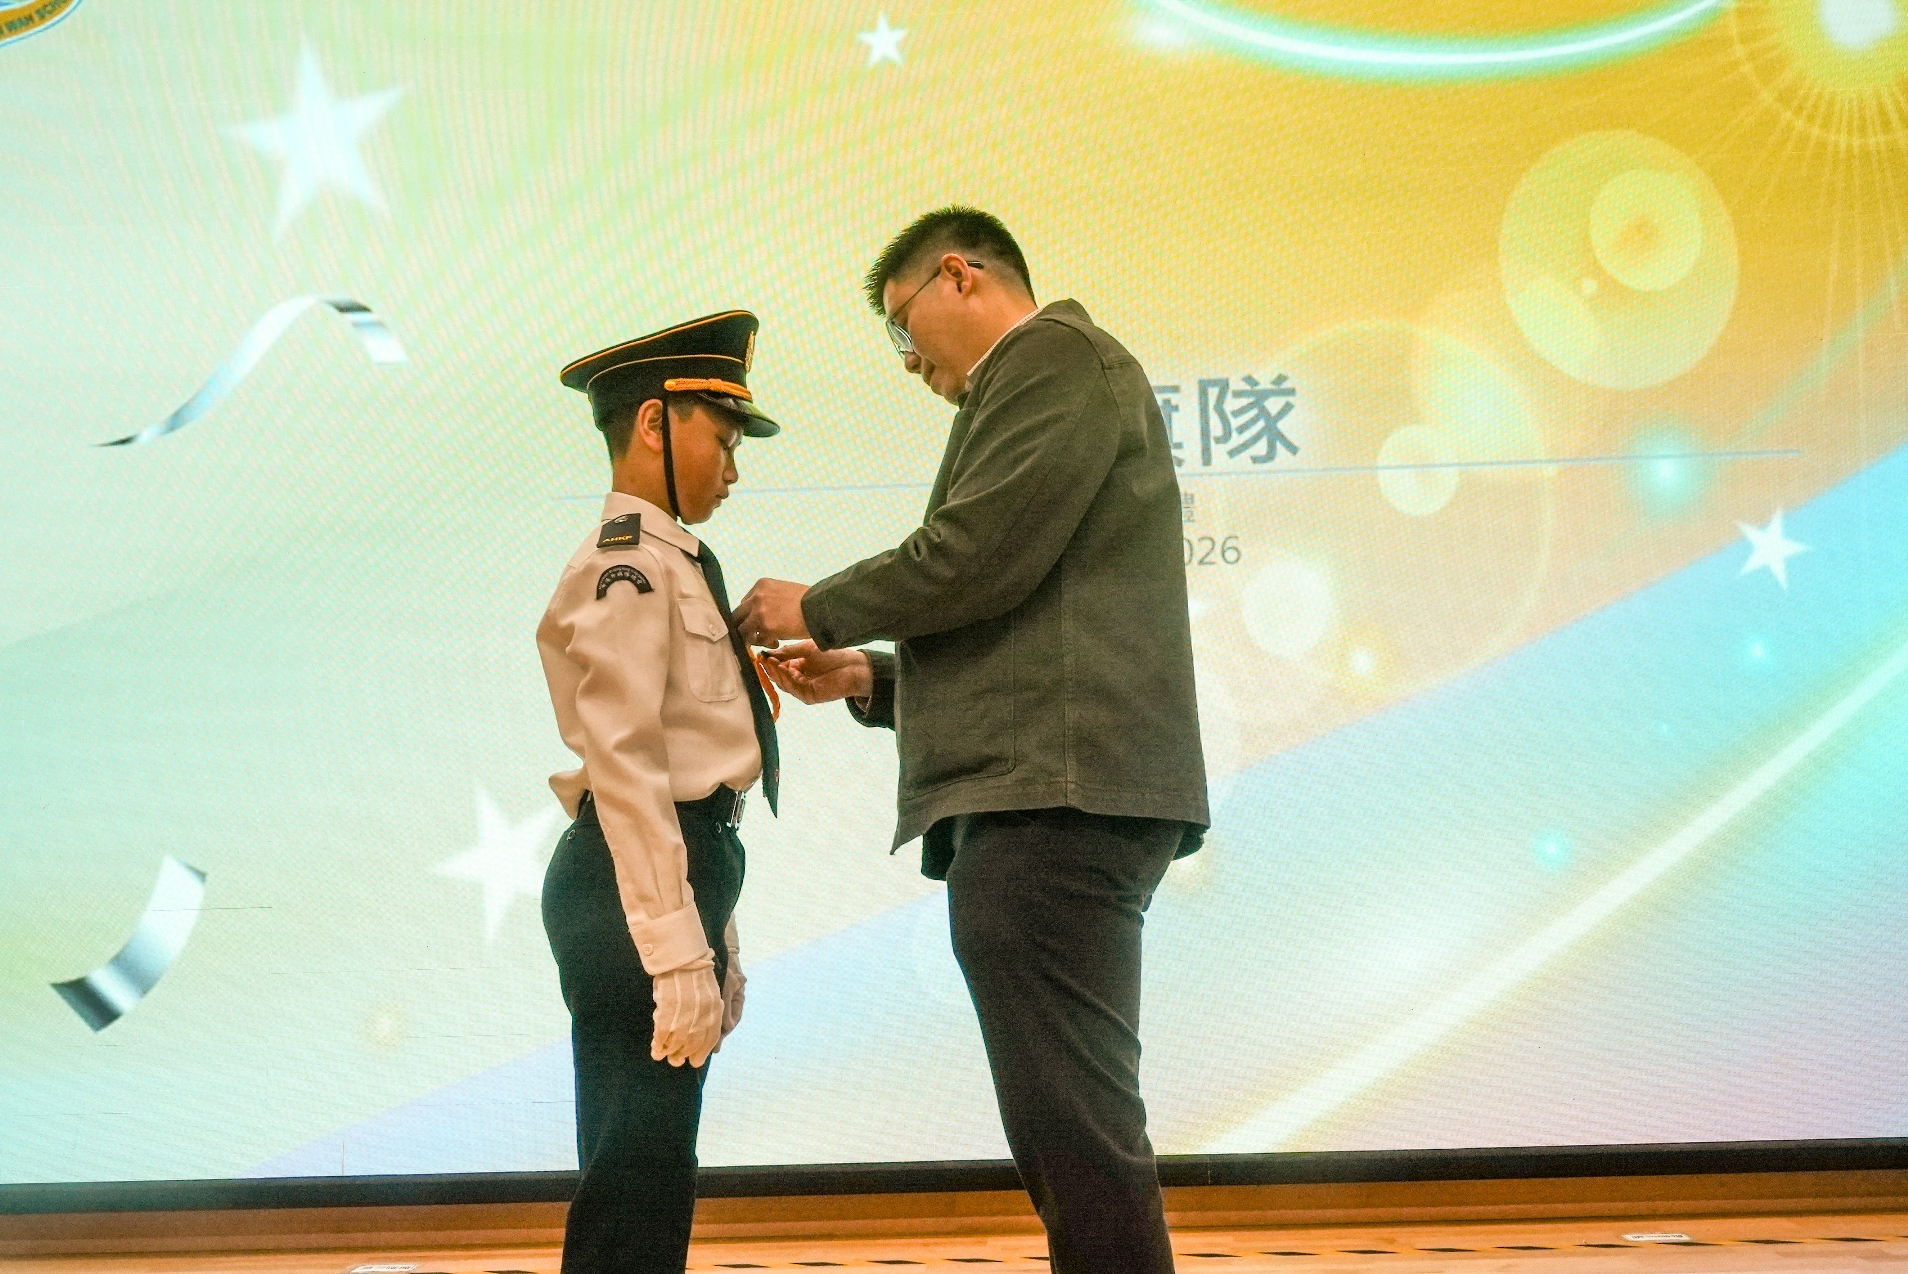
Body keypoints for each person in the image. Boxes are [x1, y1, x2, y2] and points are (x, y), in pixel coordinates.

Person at [735, 208, 1207, 1273]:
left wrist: (823, 605)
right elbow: (1038, 627)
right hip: (1056, 793)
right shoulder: (1049, 376)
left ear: (958, 275)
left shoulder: (1049, 358)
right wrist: (872, 676)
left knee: (1077, 1139)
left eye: (902, 328)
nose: (909, 363)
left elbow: (975, 554)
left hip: (1052, 806)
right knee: (1070, 1133)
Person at [536, 310, 783, 1274]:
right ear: (653, 425)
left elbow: (687, 767)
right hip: (629, 880)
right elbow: (630, 767)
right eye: (722, 438)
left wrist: (715, 931)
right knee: (636, 1177)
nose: (733, 467)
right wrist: (676, 946)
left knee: (651, 1168)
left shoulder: (669, 560)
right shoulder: (627, 567)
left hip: (666, 871)